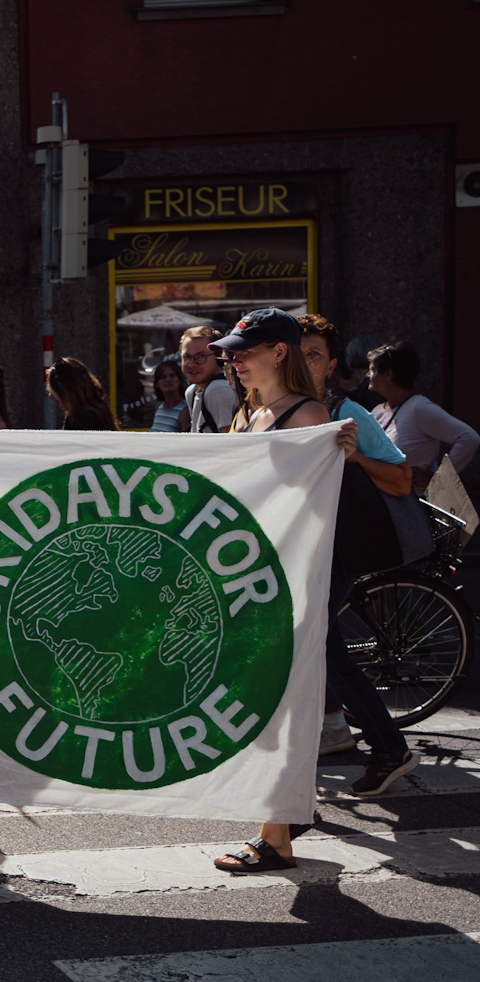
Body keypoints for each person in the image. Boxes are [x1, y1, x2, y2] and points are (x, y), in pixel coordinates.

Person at [201, 308, 397, 873]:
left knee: (283, 701)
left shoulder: (307, 413)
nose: (234, 361)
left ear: (278, 352)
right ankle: (289, 814)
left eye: (244, 351)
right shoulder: (251, 412)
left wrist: (339, 450)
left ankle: (277, 835)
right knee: (269, 700)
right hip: (254, 573)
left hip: (289, 575)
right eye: (232, 353)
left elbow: (305, 500)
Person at [298, 313, 414, 763]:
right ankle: (333, 730)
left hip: (339, 549)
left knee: (324, 648)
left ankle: (387, 746)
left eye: (315, 355)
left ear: (331, 365)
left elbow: (402, 479)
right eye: (298, 353)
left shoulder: (346, 412)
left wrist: (356, 458)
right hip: (301, 550)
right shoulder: (271, 409)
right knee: (313, 646)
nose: (306, 362)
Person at [368, 341, 480, 493]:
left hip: (413, 503)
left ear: (388, 374)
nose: (368, 375)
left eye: (372, 370)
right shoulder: (376, 411)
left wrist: (438, 479)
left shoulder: (419, 408)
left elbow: (469, 438)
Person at [179, 325, 239, 433]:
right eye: (186, 357)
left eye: (201, 356)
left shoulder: (218, 390)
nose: (192, 364)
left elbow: (230, 441)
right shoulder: (193, 391)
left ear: (219, 357)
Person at [46, 357, 119, 430]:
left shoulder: (83, 420)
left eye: (54, 390)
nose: (50, 395)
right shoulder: (94, 413)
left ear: (67, 390)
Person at [147, 359, 187, 432]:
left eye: (172, 375)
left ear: (180, 380)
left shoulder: (185, 411)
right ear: (157, 384)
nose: (168, 380)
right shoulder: (158, 407)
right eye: (163, 377)